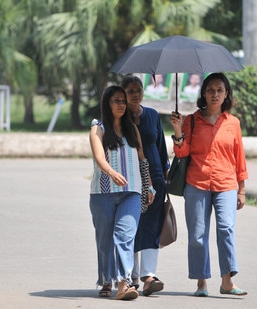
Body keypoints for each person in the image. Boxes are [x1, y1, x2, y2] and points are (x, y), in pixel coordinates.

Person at [169, 72, 248, 297]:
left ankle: (227, 282)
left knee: (226, 229)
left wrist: (241, 189)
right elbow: (182, 152)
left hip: (226, 184)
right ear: (203, 92)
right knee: (197, 235)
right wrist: (177, 129)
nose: (215, 94)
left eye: (219, 90)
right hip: (197, 183)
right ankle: (201, 282)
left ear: (226, 94)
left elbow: (239, 157)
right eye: (211, 90)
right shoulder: (192, 120)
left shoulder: (233, 123)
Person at [89, 85, 156, 300]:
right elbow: (99, 155)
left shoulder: (132, 130)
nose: (121, 104)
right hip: (103, 192)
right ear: (107, 104)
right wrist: (111, 172)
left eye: (123, 101)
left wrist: (149, 186)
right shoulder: (98, 127)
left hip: (131, 192)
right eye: (116, 101)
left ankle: (123, 284)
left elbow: (142, 160)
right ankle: (107, 280)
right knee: (105, 240)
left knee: (125, 236)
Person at [121, 75, 170, 297]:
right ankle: (130, 276)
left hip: (156, 177)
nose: (135, 94)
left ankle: (148, 276)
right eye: (130, 91)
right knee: (131, 225)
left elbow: (160, 146)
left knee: (151, 226)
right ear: (123, 94)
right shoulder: (119, 117)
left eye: (138, 90)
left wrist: (167, 171)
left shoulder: (152, 115)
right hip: (129, 177)